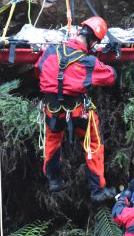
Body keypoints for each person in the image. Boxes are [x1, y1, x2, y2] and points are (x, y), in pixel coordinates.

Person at [35, 17, 117, 202]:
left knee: (52, 140)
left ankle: (54, 180)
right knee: (93, 143)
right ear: (94, 42)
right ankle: (98, 190)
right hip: (78, 112)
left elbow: (38, 68)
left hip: (52, 110)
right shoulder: (88, 62)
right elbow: (111, 76)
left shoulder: (50, 51)